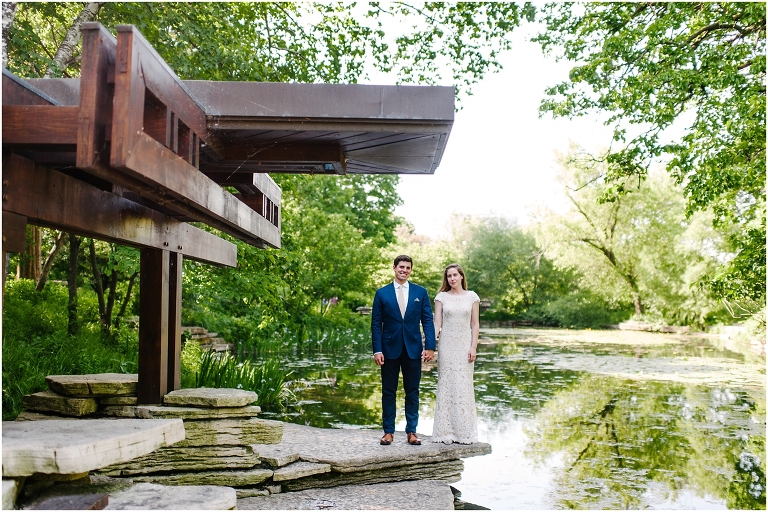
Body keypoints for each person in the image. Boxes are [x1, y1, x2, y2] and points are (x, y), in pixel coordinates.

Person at [371, 254, 436, 446]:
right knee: (388, 392)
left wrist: (430, 346)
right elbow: (376, 324)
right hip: (388, 349)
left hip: (413, 349)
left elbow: (427, 322)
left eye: (408, 268)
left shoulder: (420, 292)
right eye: (401, 267)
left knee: (412, 391)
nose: (404, 270)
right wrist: (377, 350)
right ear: (394, 268)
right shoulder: (382, 293)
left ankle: (412, 432)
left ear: (411, 270)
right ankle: (388, 432)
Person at [431, 263, 479, 444]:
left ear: (461, 277)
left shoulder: (472, 297)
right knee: (447, 384)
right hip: (447, 346)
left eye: (455, 275)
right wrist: (429, 345)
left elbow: (475, 324)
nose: (452, 279)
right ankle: (446, 432)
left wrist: (473, 347)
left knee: (463, 384)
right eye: (449, 276)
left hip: (464, 346)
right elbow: (437, 323)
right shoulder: (441, 297)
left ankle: (463, 432)